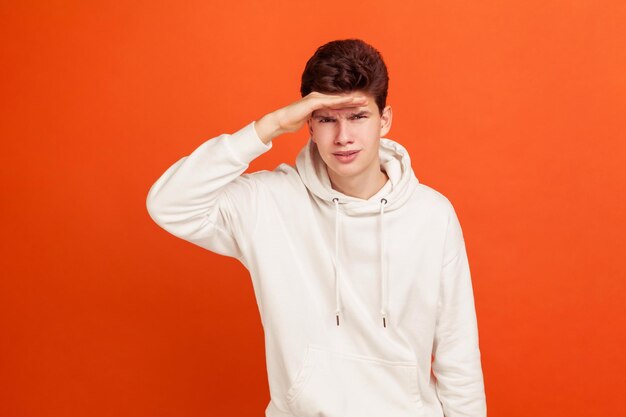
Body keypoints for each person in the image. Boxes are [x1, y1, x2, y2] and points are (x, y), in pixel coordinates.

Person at [146, 39, 487, 417]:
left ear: (384, 119)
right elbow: (169, 204)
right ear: (307, 124)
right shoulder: (271, 202)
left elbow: (458, 357)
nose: (343, 137)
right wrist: (269, 126)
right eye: (327, 119)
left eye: (358, 116)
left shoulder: (432, 216)